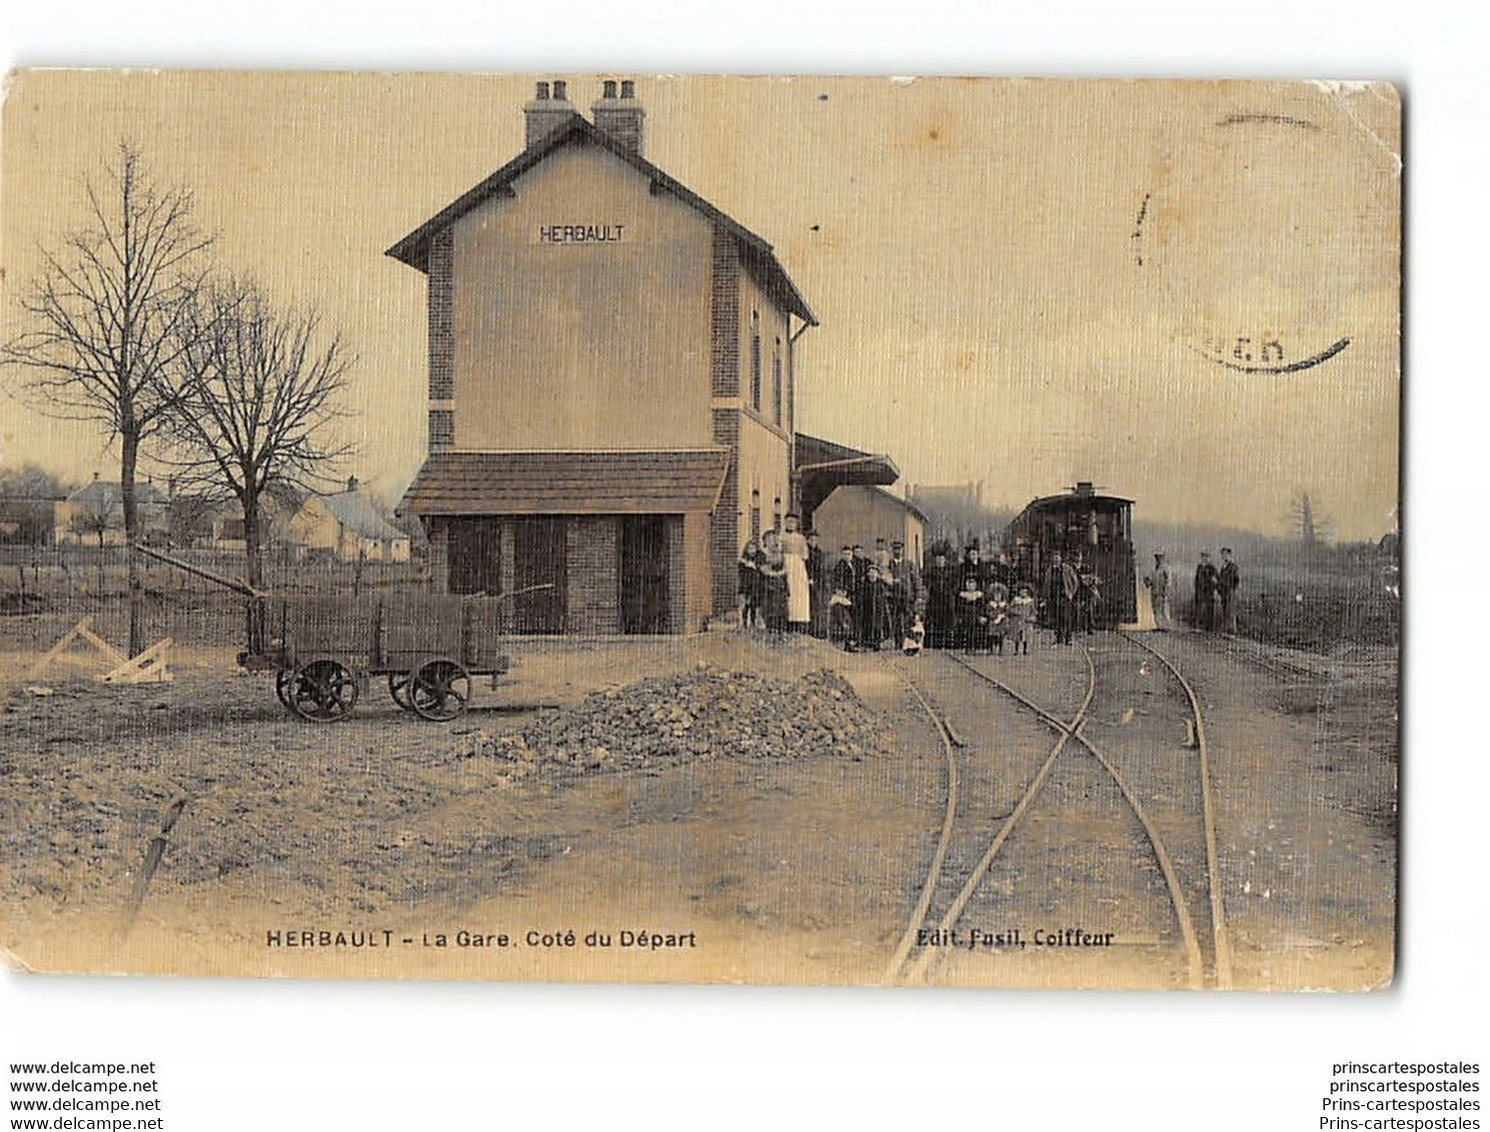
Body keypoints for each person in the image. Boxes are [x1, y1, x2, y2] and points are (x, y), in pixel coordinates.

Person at [886, 539, 923, 647]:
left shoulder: (909, 564)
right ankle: (898, 642)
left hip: (908, 596)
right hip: (894, 597)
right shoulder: (889, 564)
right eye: (895, 549)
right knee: (896, 620)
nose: (897, 551)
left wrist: (918, 595)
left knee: (909, 619)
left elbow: (916, 579)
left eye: (899, 549)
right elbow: (885, 579)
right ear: (892, 551)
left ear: (903, 550)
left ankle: (910, 641)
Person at [779, 513, 811, 633]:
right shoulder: (780, 536)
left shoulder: (801, 538)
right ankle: (787, 621)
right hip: (785, 563)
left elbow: (805, 555)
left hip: (798, 565)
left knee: (799, 593)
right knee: (789, 592)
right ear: (785, 522)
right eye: (789, 521)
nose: (791, 524)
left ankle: (799, 621)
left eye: (793, 522)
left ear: (796, 524)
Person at [923, 548, 959, 650]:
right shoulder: (930, 571)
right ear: (935, 560)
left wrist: (951, 591)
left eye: (941, 559)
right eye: (938, 559)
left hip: (947, 598)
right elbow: (927, 582)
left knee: (948, 621)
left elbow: (955, 584)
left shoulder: (950, 571)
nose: (939, 561)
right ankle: (935, 643)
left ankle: (948, 643)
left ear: (945, 560)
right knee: (934, 620)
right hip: (935, 598)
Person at [1042, 551, 1079, 646]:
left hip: (1065, 597)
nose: (1056, 561)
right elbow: (1046, 584)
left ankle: (1068, 638)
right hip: (1054, 597)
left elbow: (1075, 581)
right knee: (1057, 618)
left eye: (1057, 559)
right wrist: (1046, 597)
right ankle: (1059, 638)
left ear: (1060, 559)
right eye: (1054, 559)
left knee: (1066, 618)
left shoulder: (1067, 569)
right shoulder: (1049, 570)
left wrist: (1071, 593)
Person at [759, 529, 789, 633]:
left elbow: (786, 569)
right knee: (770, 611)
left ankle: (781, 632)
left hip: (780, 587)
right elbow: (765, 571)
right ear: (766, 542)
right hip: (767, 587)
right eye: (771, 539)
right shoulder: (761, 554)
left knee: (782, 611)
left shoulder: (780, 555)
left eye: (776, 539)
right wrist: (779, 573)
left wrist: (786, 588)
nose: (775, 542)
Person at [828, 545, 858, 649]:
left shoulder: (853, 565)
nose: (847, 556)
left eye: (849, 554)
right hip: (843, 595)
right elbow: (837, 580)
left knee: (853, 618)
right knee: (845, 619)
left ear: (852, 555)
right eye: (845, 554)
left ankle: (852, 641)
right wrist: (841, 590)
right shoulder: (840, 566)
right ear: (842, 555)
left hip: (852, 595)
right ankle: (847, 643)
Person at [857, 562, 891, 650]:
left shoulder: (880, 585)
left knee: (878, 626)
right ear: (867, 574)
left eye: (874, 572)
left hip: (879, 610)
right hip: (867, 610)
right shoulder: (864, 585)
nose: (872, 575)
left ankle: (877, 643)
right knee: (867, 625)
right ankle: (867, 642)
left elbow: (885, 595)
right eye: (870, 572)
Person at [736, 536, 763, 629]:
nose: (752, 550)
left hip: (756, 585)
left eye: (753, 548)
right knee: (745, 605)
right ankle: (744, 623)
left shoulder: (759, 558)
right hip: (746, 585)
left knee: (754, 605)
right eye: (750, 548)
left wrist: (753, 565)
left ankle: (753, 623)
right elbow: (740, 572)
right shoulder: (743, 560)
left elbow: (761, 569)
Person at [1144, 551, 1173, 632]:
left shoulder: (1166, 568)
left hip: (1162, 593)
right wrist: (1147, 581)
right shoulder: (1154, 570)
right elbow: (1150, 582)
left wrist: (1166, 593)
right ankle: (1159, 626)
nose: (1158, 559)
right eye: (1156, 557)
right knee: (1156, 610)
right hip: (1155, 592)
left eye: (1159, 557)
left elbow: (1169, 582)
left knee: (1164, 610)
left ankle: (1167, 626)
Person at [806, 530, 828, 638]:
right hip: (810, 582)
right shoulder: (806, 551)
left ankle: (820, 630)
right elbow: (806, 566)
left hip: (820, 581)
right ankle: (812, 630)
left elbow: (822, 568)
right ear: (807, 540)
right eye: (811, 539)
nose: (813, 541)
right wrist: (809, 578)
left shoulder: (819, 552)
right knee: (812, 606)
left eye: (815, 539)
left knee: (820, 606)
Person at [1193, 550, 1219, 632]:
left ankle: (1209, 628)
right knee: (1199, 609)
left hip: (1209, 591)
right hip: (1200, 591)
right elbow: (1197, 579)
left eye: (1206, 557)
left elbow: (1217, 579)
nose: (1204, 558)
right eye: (1203, 556)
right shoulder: (1199, 567)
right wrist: (1196, 587)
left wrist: (1214, 587)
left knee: (1209, 609)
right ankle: (1198, 627)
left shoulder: (1212, 568)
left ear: (1209, 558)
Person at [1217, 546, 1240, 635]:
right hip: (1223, 591)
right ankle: (1226, 630)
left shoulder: (1233, 566)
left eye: (1226, 554)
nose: (1224, 556)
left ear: (1230, 555)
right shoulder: (1223, 567)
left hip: (1230, 591)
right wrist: (1220, 589)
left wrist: (1232, 589)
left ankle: (1232, 631)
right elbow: (1220, 579)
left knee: (1230, 611)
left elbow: (1236, 579)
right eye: (1223, 555)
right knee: (1224, 609)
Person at [1009, 584, 1037, 655]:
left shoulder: (1030, 601)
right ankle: (1016, 650)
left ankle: (1025, 650)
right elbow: (1010, 608)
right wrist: (1016, 612)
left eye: (1025, 592)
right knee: (1017, 635)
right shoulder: (1016, 600)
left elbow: (1033, 611)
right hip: (1017, 620)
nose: (1023, 593)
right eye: (1022, 592)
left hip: (1026, 621)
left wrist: (1031, 617)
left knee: (1026, 635)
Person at [986, 580, 1011, 655]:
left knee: (1000, 635)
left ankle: (1000, 649)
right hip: (993, 621)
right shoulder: (990, 604)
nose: (997, 597)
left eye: (999, 595)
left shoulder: (1004, 604)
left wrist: (1003, 615)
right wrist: (992, 615)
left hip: (1002, 621)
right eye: (995, 595)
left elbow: (1007, 611)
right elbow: (987, 611)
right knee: (991, 635)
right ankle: (990, 649)